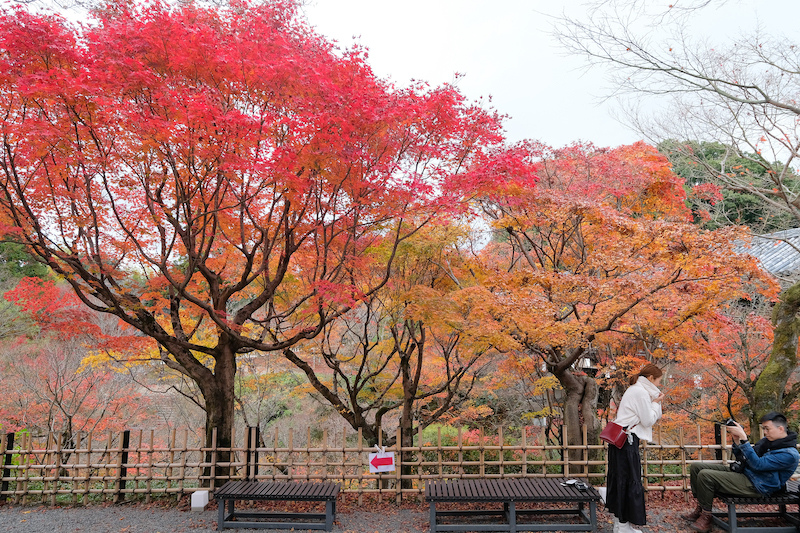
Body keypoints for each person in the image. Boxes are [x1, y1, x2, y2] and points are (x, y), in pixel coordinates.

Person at [680, 411, 800, 533]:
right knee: (696, 467)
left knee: (706, 476)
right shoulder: (768, 442)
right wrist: (737, 440)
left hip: (758, 485)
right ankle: (701, 507)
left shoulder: (789, 454)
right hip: (747, 473)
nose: (765, 432)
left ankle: (706, 516)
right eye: (764, 429)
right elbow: (744, 456)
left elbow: (758, 465)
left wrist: (744, 440)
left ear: (780, 428)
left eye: (767, 429)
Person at [606, 364, 664, 533]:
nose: (658, 385)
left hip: (620, 441)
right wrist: (655, 403)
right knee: (629, 481)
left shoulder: (635, 389)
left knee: (620, 481)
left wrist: (654, 402)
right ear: (651, 378)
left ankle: (620, 523)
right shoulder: (640, 392)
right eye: (658, 381)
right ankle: (624, 526)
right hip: (627, 442)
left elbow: (649, 416)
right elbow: (648, 421)